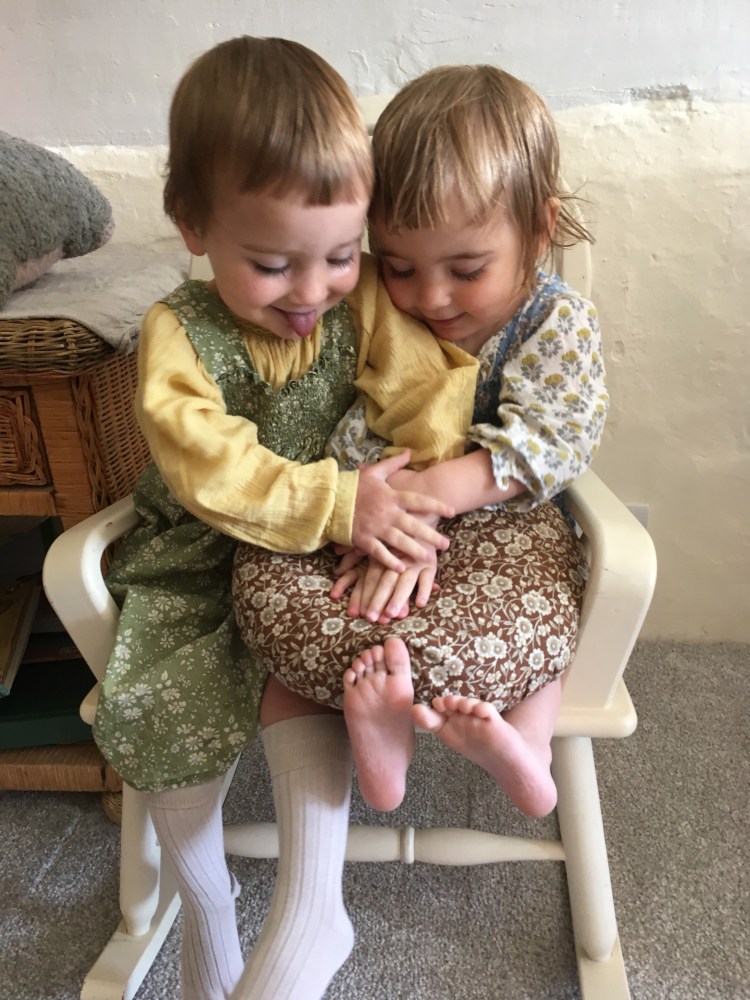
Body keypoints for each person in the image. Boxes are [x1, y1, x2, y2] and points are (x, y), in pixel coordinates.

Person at [91, 36, 477, 1000]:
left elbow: (430, 391)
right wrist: (338, 501)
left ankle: (314, 906)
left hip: (325, 556)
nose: (311, 293)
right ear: (193, 225)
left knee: (330, 661)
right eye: (270, 264)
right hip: (201, 549)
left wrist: (412, 499)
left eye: (341, 256)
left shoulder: (365, 302)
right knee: (161, 706)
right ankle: (207, 906)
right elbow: (205, 464)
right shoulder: (178, 331)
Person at [231, 62, 607, 999]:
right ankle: (382, 753)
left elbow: (557, 435)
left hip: (507, 521)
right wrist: (365, 510)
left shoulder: (552, 320)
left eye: (465, 269)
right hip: (386, 505)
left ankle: (526, 752)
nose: (431, 296)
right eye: (398, 265)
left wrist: (444, 490)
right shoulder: (372, 309)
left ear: (540, 230)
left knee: (547, 620)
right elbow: (345, 418)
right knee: (293, 614)